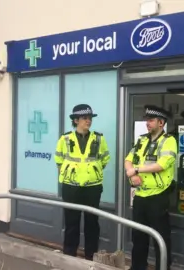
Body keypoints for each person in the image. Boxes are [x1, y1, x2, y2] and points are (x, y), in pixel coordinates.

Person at [54, 104, 110, 260]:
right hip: (71, 187)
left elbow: (105, 159)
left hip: (92, 187)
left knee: (92, 223)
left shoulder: (99, 138)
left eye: (90, 118)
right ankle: (69, 256)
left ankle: (91, 257)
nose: (89, 121)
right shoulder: (65, 139)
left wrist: (93, 172)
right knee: (72, 223)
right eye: (85, 118)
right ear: (76, 120)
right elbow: (58, 159)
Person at [125, 105, 177, 270]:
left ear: (161, 123)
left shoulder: (169, 141)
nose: (147, 123)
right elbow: (128, 159)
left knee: (161, 238)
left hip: (158, 197)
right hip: (140, 196)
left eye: (151, 120)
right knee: (138, 237)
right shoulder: (142, 140)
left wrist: (138, 169)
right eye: (147, 120)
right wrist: (131, 174)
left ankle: (163, 267)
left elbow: (162, 165)